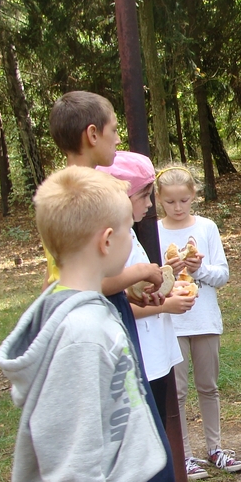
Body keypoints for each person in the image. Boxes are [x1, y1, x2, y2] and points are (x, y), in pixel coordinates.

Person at [0, 167, 198, 482]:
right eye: (130, 230)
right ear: (107, 240)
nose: (135, 237)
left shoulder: (79, 304)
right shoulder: (82, 335)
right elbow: (71, 451)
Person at [46, 91, 177, 482]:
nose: (118, 142)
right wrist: (139, 272)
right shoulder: (81, 196)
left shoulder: (69, 188)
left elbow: (101, 272)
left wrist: (131, 281)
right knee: (137, 432)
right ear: (92, 134)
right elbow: (81, 280)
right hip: (101, 321)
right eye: (115, 131)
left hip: (112, 309)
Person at [156, 164, 241, 479]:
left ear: (194, 196)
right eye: (170, 202)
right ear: (159, 200)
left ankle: (215, 448)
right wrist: (167, 269)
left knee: (208, 386)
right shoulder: (154, 232)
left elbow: (222, 275)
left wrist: (198, 269)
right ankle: (183, 455)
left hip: (204, 320)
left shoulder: (206, 228)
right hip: (171, 321)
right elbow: (149, 283)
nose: (177, 208)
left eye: (183, 200)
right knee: (176, 391)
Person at [97, 153, 193, 427]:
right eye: (145, 196)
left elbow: (133, 292)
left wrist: (165, 289)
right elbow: (112, 299)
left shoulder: (129, 232)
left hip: (154, 351)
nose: (150, 204)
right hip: (140, 356)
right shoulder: (114, 240)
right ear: (122, 197)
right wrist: (165, 305)